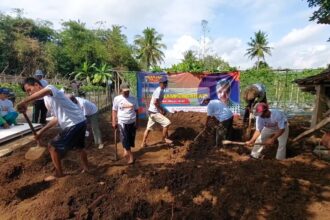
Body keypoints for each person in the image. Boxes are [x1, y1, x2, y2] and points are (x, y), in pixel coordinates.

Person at [17, 77, 88, 181]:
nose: (29, 94)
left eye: (29, 90)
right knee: (79, 148)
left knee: (52, 146)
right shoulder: (47, 100)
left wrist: (24, 102)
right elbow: (56, 119)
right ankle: (87, 168)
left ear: (37, 85)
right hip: (80, 121)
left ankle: (59, 174)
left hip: (73, 123)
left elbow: (45, 92)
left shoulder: (50, 89)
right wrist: (41, 131)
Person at [141, 76, 172, 147]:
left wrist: (161, 110)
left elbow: (157, 102)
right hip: (154, 112)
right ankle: (164, 139)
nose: (165, 84)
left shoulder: (161, 90)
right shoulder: (158, 91)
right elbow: (155, 102)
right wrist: (161, 109)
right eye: (164, 83)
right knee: (167, 123)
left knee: (148, 128)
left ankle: (143, 143)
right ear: (160, 83)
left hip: (152, 112)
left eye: (166, 83)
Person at [112, 83, 138, 164]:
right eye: (124, 91)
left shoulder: (133, 98)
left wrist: (137, 122)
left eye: (128, 91)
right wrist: (114, 121)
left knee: (130, 139)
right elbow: (114, 110)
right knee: (125, 138)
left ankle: (125, 150)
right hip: (122, 122)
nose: (127, 93)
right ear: (120, 90)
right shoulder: (117, 99)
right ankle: (131, 157)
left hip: (132, 122)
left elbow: (137, 111)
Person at [205, 80, 233, 146]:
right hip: (230, 115)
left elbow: (208, 117)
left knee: (219, 132)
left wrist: (206, 125)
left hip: (225, 117)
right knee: (227, 131)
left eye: (204, 102)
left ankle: (219, 147)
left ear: (207, 100)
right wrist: (217, 122)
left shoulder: (210, 105)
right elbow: (214, 116)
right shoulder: (215, 101)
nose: (204, 103)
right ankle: (227, 144)